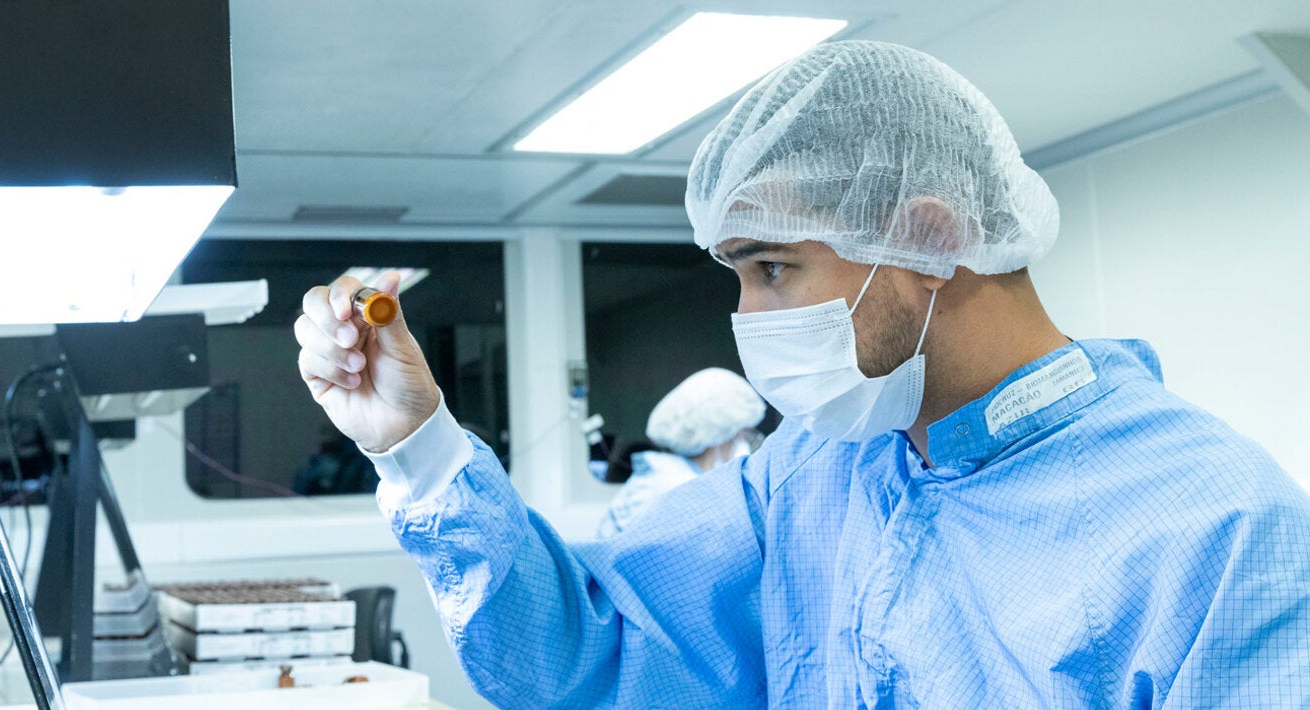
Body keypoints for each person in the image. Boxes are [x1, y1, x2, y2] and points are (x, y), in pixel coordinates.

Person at [293, 40, 1310, 708]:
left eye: (772, 267)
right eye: (737, 276)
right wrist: (418, 445)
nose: (747, 318)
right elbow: (590, 651)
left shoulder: (1215, 528)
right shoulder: (815, 476)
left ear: (928, 237)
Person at [595, 368, 765, 539]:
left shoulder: (665, 475)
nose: (743, 443)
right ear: (717, 436)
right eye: (741, 434)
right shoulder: (680, 491)